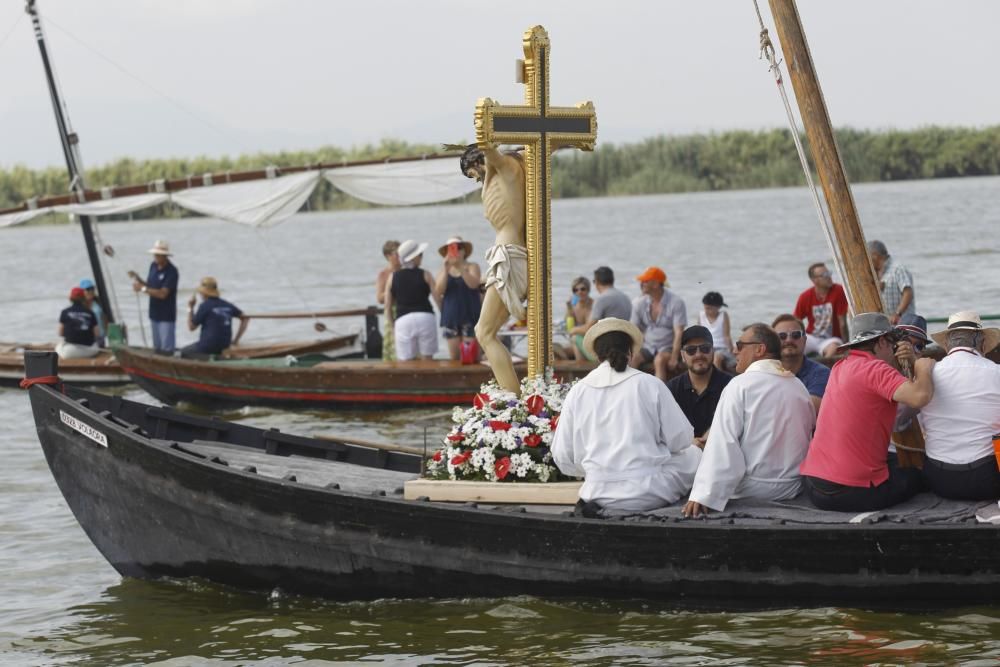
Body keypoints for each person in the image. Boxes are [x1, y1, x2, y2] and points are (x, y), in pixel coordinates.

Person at [551, 318, 702, 512]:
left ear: (597, 355)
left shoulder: (577, 391)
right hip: (648, 493)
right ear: (630, 352)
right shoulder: (650, 384)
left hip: (596, 491)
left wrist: (597, 470)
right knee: (694, 454)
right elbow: (681, 440)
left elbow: (563, 456)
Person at [799, 313, 935, 512]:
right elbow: (920, 396)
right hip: (848, 492)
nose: (894, 349)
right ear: (881, 342)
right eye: (891, 343)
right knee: (920, 473)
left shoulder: (839, 367)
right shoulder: (876, 368)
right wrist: (922, 367)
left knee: (897, 461)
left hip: (814, 484)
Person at [683, 323, 815, 517]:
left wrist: (703, 494)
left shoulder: (739, 385)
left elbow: (723, 445)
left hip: (752, 489)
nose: (734, 351)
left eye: (740, 345)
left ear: (760, 349)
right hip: (793, 486)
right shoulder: (798, 386)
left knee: (691, 455)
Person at [460, 144, 526, 393]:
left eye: (473, 174)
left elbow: (492, 154)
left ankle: (513, 398)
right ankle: (512, 396)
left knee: (483, 332)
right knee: (487, 332)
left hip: (509, 255)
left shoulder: (508, 169)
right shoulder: (497, 176)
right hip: (505, 254)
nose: (476, 179)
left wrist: (485, 134)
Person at [917, 312, 1000, 500]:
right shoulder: (996, 372)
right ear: (981, 342)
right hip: (987, 481)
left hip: (939, 480)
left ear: (947, 344)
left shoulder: (928, 376)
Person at [666, 325, 733, 447]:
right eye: (691, 350)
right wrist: (688, 443)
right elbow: (665, 429)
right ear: (682, 355)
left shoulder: (731, 386)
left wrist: (714, 435)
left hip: (721, 454)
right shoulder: (672, 388)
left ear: (713, 351)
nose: (698, 355)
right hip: (684, 457)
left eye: (705, 348)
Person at [385, 239, 440, 361]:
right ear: (414, 257)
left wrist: (392, 326)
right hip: (426, 317)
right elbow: (437, 299)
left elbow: (387, 307)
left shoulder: (392, 277)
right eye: (420, 255)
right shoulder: (426, 274)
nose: (421, 257)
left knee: (406, 362)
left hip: (403, 320)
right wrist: (446, 318)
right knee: (428, 359)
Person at [629, 266, 686, 381]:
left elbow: (679, 332)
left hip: (668, 347)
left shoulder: (676, 302)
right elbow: (632, 329)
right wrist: (630, 350)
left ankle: (659, 396)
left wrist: (674, 357)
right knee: (631, 359)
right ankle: (628, 392)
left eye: (645, 281)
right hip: (648, 346)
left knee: (659, 360)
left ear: (655, 284)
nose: (641, 283)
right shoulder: (639, 303)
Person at [434, 236, 482, 361]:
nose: (456, 251)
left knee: (471, 356)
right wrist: (446, 269)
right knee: (455, 357)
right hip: (451, 318)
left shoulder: (472, 266)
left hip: (470, 316)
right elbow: (438, 291)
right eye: (451, 249)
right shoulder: (444, 270)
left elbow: (473, 284)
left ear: (464, 251)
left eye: (458, 248)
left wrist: (460, 267)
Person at [772, 313, 830, 414]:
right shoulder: (764, 373)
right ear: (773, 342)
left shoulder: (821, 373)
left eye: (796, 335)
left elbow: (809, 409)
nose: (789, 340)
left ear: (804, 340)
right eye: (782, 336)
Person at [130, 239, 179, 354]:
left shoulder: (172, 271)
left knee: (167, 350)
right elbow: (150, 286)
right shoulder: (153, 266)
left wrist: (142, 289)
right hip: (154, 314)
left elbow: (163, 294)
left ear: (165, 256)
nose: (156, 257)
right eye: (155, 254)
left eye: (158, 255)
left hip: (166, 316)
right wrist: (138, 279)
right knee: (157, 348)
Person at [567, 266, 632, 349]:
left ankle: (581, 362)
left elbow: (589, 329)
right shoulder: (625, 297)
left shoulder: (602, 299)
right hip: (625, 345)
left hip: (608, 349)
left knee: (575, 338)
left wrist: (573, 330)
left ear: (597, 282)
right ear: (612, 280)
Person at [182, 277, 248, 357]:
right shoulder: (227, 304)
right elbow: (245, 318)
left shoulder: (204, 306)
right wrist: (236, 340)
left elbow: (191, 327)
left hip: (207, 346)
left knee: (183, 352)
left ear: (204, 293)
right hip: (225, 345)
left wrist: (190, 308)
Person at [793, 262, 849, 357]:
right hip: (811, 337)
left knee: (833, 350)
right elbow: (795, 321)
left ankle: (822, 370)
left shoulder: (838, 291)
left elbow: (842, 322)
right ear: (814, 280)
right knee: (793, 349)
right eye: (824, 275)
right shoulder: (805, 296)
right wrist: (798, 337)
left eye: (829, 273)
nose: (829, 277)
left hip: (831, 339)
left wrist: (846, 345)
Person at [868, 240, 915, 325]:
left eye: (868, 257)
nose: (867, 261)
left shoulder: (898, 269)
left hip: (903, 323)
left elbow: (908, 293)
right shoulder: (878, 273)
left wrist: (897, 314)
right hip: (888, 325)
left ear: (875, 256)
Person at [56, 286, 100, 359]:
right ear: (83, 298)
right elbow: (97, 334)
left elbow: (60, 333)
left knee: (58, 346)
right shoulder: (90, 312)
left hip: (69, 352)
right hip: (89, 351)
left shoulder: (65, 312)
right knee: (96, 345)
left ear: (70, 298)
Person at [375, 240, 401, 361]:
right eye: (397, 253)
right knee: (392, 344)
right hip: (391, 311)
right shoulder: (383, 274)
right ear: (388, 256)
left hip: (405, 309)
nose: (400, 257)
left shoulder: (406, 271)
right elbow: (380, 298)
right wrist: (392, 290)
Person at [699, 291, 734, 372]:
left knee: (716, 357)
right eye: (705, 308)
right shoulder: (701, 315)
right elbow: (699, 335)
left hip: (722, 348)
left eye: (709, 308)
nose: (706, 310)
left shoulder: (723, 315)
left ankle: (718, 381)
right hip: (707, 346)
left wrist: (731, 349)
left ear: (718, 307)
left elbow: (726, 335)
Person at [564, 276, 594, 360]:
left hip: (592, 344)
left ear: (588, 290)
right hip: (579, 342)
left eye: (582, 289)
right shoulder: (574, 306)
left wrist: (575, 330)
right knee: (554, 349)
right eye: (575, 290)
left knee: (574, 338)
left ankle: (579, 366)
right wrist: (569, 307)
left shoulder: (593, 305)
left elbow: (590, 330)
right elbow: (568, 325)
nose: (579, 292)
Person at [79, 278, 107, 347]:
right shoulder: (79, 306)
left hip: (99, 337)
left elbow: (105, 318)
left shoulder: (99, 302)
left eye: (92, 288)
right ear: (82, 292)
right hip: (85, 338)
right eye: (88, 289)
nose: (91, 291)